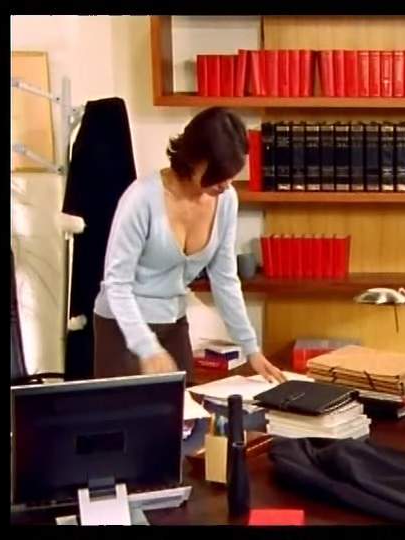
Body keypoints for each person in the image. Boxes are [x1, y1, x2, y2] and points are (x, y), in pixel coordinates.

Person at [93, 107, 285, 383]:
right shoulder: (141, 199)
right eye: (219, 173)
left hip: (174, 322)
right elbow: (116, 285)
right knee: (129, 409)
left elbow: (225, 279)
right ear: (194, 158)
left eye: (232, 174)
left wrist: (251, 348)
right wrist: (147, 348)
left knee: (186, 407)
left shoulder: (225, 200)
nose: (226, 184)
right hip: (122, 326)